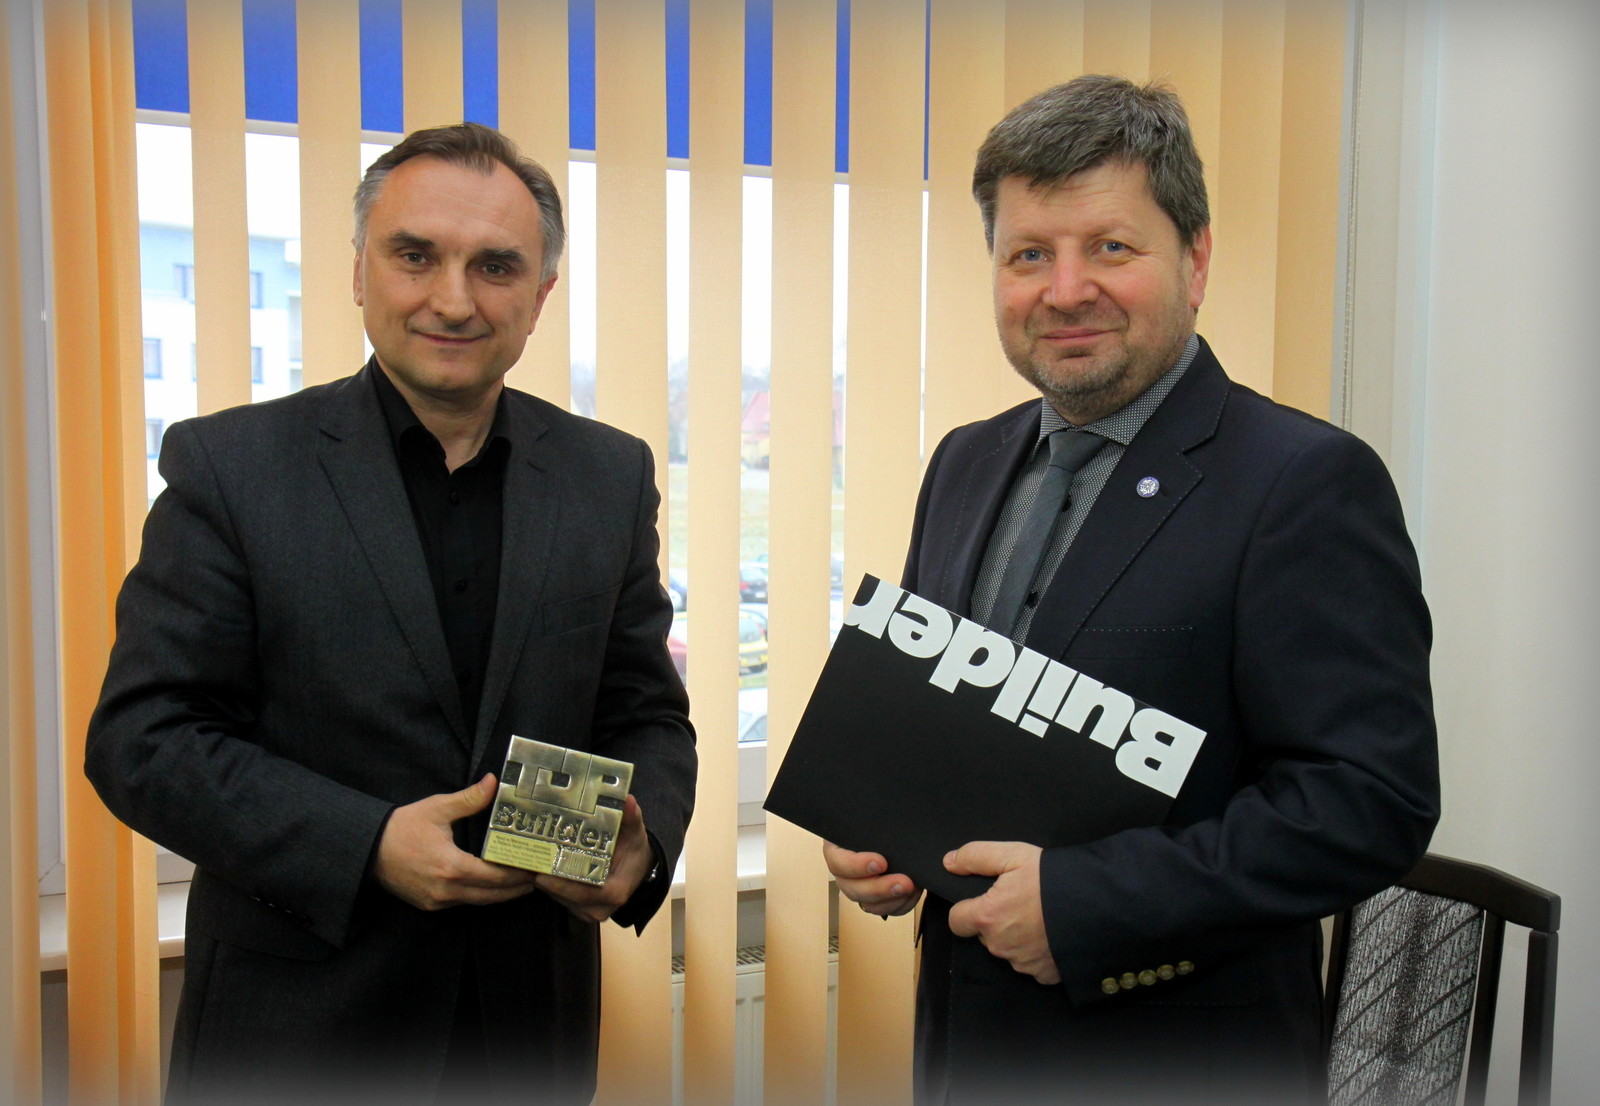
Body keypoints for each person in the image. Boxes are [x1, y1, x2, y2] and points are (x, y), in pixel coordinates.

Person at [823, 76, 1438, 1105]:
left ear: (1195, 260)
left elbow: (1368, 801)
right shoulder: (964, 462)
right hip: (965, 1048)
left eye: (1110, 247)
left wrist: (1085, 901)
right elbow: (941, 721)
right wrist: (877, 829)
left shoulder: (1304, 481)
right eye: (1029, 254)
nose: (1065, 290)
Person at [86, 122, 696, 1105]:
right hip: (295, 1037)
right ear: (359, 271)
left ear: (540, 296)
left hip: (526, 1033)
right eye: (416, 255)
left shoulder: (606, 476)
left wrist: (643, 839)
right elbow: (143, 738)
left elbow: (647, 715)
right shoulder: (232, 468)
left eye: (495, 266)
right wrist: (364, 842)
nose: (453, 299)